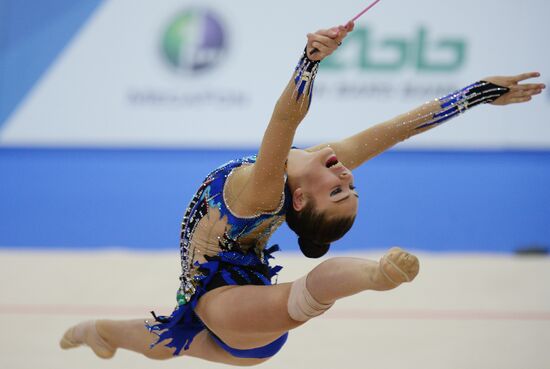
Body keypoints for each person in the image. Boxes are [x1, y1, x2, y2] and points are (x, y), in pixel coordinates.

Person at [60, 21, 545, 366]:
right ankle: (101, 332)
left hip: (236, 308)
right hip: (239, 323)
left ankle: (376, 275)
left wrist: (310, 60)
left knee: (199, 322)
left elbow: (285, 118)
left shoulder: (264, 191)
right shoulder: (316, 164)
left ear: (298, 202)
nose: (347, 176)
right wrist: (479, 93)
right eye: (351, 187)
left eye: (338, 192)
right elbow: (400, 129)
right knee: (173, 338)